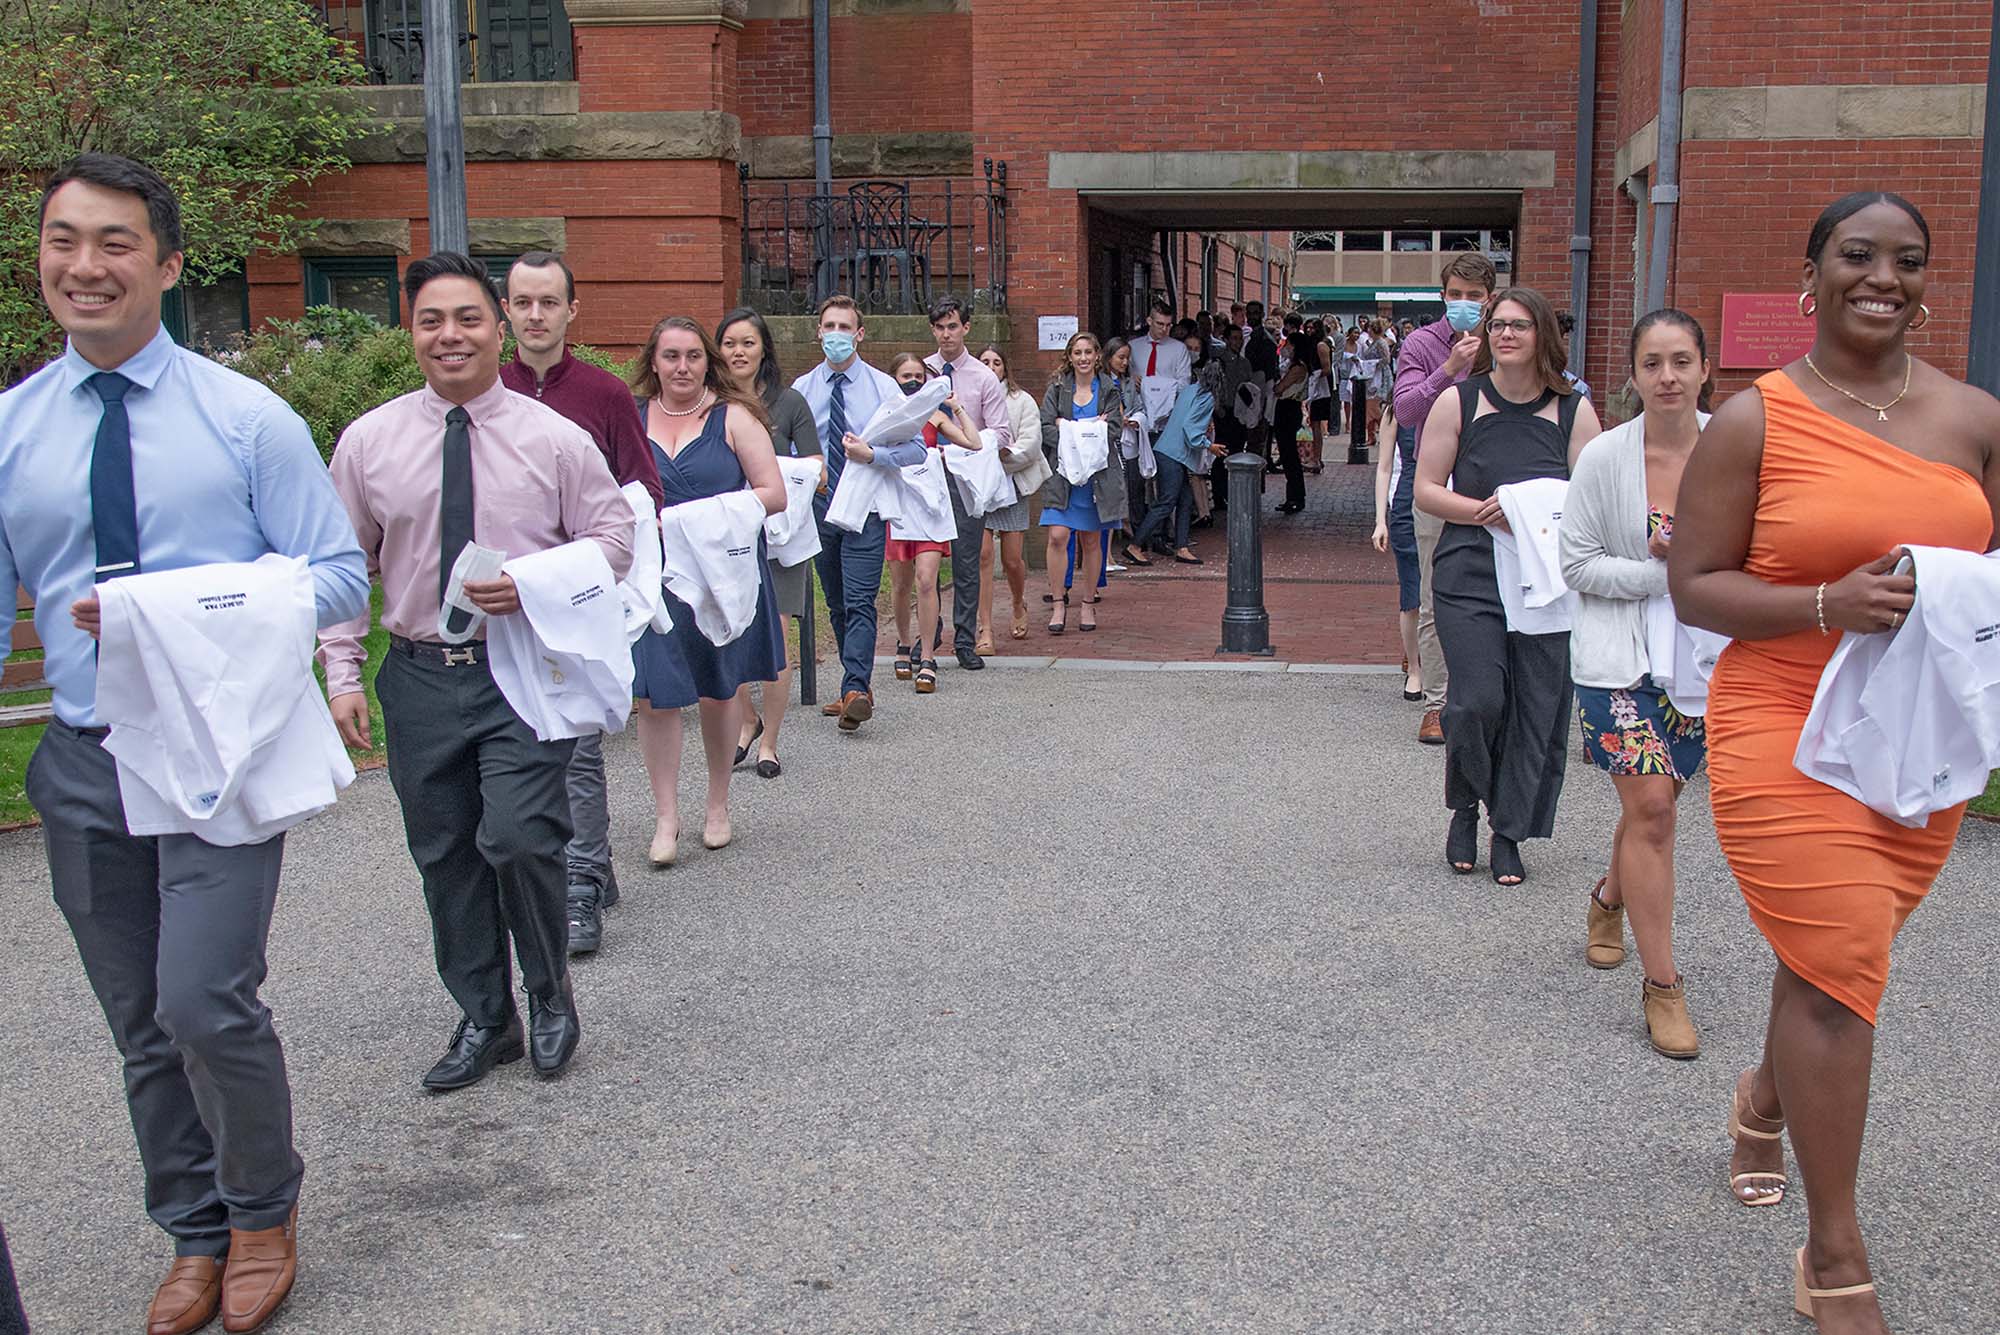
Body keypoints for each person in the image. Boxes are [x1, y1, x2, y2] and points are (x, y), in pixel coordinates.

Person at [0, 152, 368, 1335]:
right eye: (64, 241)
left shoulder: (244, 418)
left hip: (219, 750)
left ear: (164, 264)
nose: (84, 266)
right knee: (139, 1019)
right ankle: (194, 1229)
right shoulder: (12, 430)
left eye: (113, 243)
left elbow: (336, 573)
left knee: (203, 997)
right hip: (82, 756)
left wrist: (188, 607)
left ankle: (263, 1211)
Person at [1670, 193, 2000, 1331]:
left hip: (1918, 730)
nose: (1883, 277)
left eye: (1905, 262)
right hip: (1783, 721)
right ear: (1809, 275)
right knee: (1837, 971)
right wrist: (1826, 598)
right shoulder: (1752, 419)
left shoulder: (1972, 419)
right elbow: (1695, 584)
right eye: (1856, 256)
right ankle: (1833, 1254)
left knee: (1831, 960)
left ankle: (1763, 1101)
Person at [325, 252, 632, 1102]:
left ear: (499, 325)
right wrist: (342, 670)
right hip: (421, 673)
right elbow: (346, 567)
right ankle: (485, 1016)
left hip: (521, 669)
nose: (450, 335)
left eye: (467, 318)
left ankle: (547, 990)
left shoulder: (554, 439)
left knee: (521, 836)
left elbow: (614, 540)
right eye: (432, 320)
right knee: (446, 853)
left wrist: (533, 585)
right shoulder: (370, 442)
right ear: (412, 332)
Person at [1557, 309, 1715, 1061]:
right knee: (1651, 809)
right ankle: (1664, 988)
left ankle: (1607, 898)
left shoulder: (1733, 449)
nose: (1668, 377)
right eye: (1652, 363)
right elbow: (1577, 564)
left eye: (1681, 360)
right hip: (1616, 662)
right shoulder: (1604, 459)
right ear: (1633, 373)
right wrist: (1660, 567)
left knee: (1657, 805)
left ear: (1705, 368)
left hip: (1702, 663)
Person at [500, 250, 664, 957]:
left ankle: (580, 885)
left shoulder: (603, 395)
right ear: (505, 309)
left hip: (573, 593)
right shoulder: (482, 392)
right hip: (496, 600)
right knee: (509, 745)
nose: (535, 315)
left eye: (548, 302)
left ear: (572, 310)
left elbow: (642, 490)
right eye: (522, 302)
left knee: (574, 743)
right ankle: (562, 866)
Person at [1414, 285, 1601, 886]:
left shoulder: (1574, 410)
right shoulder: (1459, 401)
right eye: (1497, 325)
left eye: (1519, 326)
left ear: (1542, 334)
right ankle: (1466, 804)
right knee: (1476, 701)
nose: (1505, 335)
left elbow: (1596, 497)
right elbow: (1426, 488)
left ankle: (1509, 830)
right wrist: (1484, 512)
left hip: (1543, 580)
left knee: (1534, 709)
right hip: (1469, 568)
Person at [629, 317, 787, 862]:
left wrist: (694, 519)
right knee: (656, 696)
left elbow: (774, 493)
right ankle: (666, 817)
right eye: (671, 356)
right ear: (654, 361)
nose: (682, 367)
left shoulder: (733, 417)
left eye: (693, 356)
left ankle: (718, 803)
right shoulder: (630, 418)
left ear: (707, 361)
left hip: (722, 576)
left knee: (720, 689)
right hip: (656, 578)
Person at [792, 295, 927, 731]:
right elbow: (786, 449)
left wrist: (873, 455)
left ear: (860, 334)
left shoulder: (883, 388)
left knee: (860, 599)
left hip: (866, 505)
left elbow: (915, 448)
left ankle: (855, 686)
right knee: (836, 602)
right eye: (829, 326)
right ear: (818, 332)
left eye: (844, 327)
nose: (836, 335)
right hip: (820, 505)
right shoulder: (801, 390)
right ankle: (856, 689)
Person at [1396, 252, 1498, 745]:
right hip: (1437, 489)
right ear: (1443, 295)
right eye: (1454, 295)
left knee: (1502, 594)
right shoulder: (1421, 343)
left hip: (1495, 486)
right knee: (1436, 597)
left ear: (1489, 299)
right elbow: (1406, 409)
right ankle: (1438, 704)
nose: (1462, 304)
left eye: (1473, 297)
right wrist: (1449, 369)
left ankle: (1492, 698)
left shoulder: (1505, 341)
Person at [716, 307, 819, 780]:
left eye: (748, 343)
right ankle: (746, 721)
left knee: (775, 634)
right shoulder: (708, 402)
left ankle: (770, 743)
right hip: (724, 537)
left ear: (764, 349)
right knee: (726, 632)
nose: (739, 352)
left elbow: (816, 463)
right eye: (730, 343)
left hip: (780, 535)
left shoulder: (789, 402)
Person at [881, 354, 982, 692]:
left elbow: (974, 442)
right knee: (901, 583)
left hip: (931, 507)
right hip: (900, 505)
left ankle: (927, 656)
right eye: (905, 375)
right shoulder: (888, 414)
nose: (912, 381)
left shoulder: (934, 414)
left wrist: (956, 407)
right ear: (893, 379)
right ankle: (903, 641)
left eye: (918, 376)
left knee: (927, 578)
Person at [923, 296, 1011, 669]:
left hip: (965, 475)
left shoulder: (982, 376)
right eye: (940, 327)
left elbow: (1003, 432)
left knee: (966, 559)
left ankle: (964, 639)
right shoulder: (922, 370)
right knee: (924, 560)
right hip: (926, 472)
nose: (947, 334)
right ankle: (927, 634)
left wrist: (970, 447)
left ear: (966, 328)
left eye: (953, 326)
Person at [1040, 331, 1128, 634]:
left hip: (1097, 477)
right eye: (1077, 352)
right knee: (1057, 536)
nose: (1083, 358)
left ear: (1097, 356)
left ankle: (1088, 603)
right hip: (1063, 476)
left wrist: (1069, 429)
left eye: (1088, 352)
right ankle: (1058, 602)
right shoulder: (1056, 388)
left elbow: (1114, 428)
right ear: (1069, 356)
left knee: (1092, 540)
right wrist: (1088, 430)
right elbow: (1045, 428)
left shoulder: (1108, 389)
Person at [977, 344, 1042, 643]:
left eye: (996, 362)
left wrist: (1003, 455)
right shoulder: (967, 397)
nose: (991, 367)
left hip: (1011, 483)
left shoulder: (1022, 401)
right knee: (983, 554)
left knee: (1012, 559)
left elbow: (1031, 445)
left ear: (1005, 368)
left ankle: (1018, 601)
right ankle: (985, 626)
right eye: (985, 362)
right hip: (979, 485)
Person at [1371, 401, 1424, 702]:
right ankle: (1415, 669)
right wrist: (1381, 520)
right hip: (1406, 506)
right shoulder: (1396, 411)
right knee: (1411, 596)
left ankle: (1438, 667)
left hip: (1447, 506)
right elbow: (1384, 468)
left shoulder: (1454, 399)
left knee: (1442, 594)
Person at [1271, 312, 1309, 513]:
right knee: (1287, 455)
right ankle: (1292, 496)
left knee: (1289, 456)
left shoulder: (1298, 368)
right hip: (1287, 408)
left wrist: (1277, 385)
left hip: (1289, 408)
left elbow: (1279, 388)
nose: (1285, 348)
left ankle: (1296, 496)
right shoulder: (1294, 366)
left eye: (1289, 345)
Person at [1304, 316, 1335, 474]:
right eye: (1307, 327)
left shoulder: (1321, 345)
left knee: (1316, 423)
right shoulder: (1312, 344)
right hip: (1315, 388)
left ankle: (1317, 458)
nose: (1309, 331)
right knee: (1313, 423)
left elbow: (1327, 368)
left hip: (1320, 390)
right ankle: (1316, 458)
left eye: (1312, 328)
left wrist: (1314, 376)